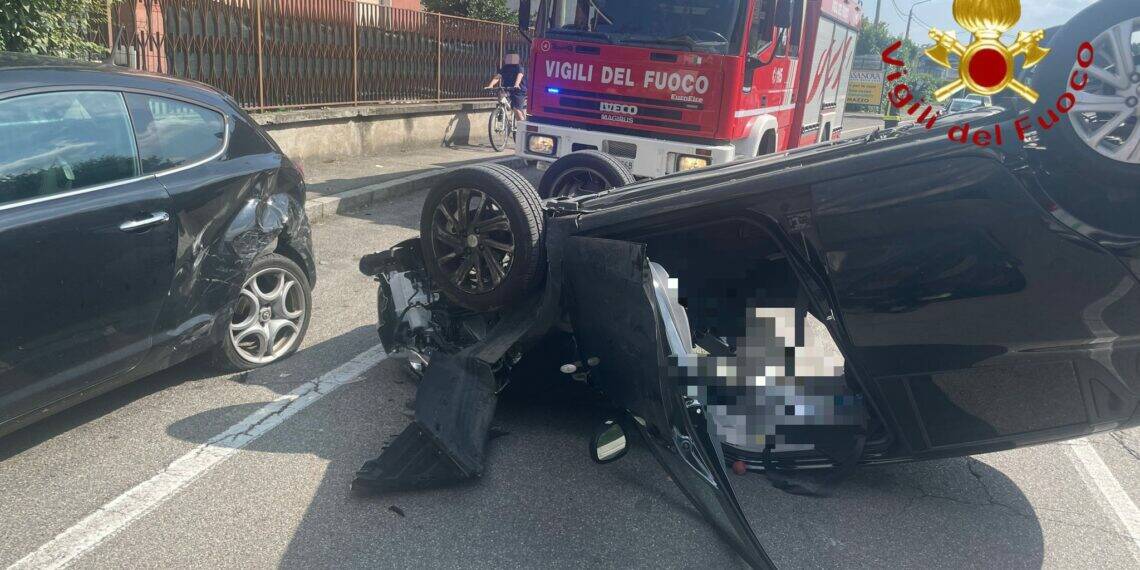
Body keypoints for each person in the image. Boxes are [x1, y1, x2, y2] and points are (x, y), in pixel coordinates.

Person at [485, 53, 526, 122]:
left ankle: (522, 127)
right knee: (501, 94)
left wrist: (516, 84)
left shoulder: (519, 67)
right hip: (507, 88)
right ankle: (501, 111)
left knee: (517, 110)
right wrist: (490, 85)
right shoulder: (505, 68)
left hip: (518, 90)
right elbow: (498, 77)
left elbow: (520, 75)